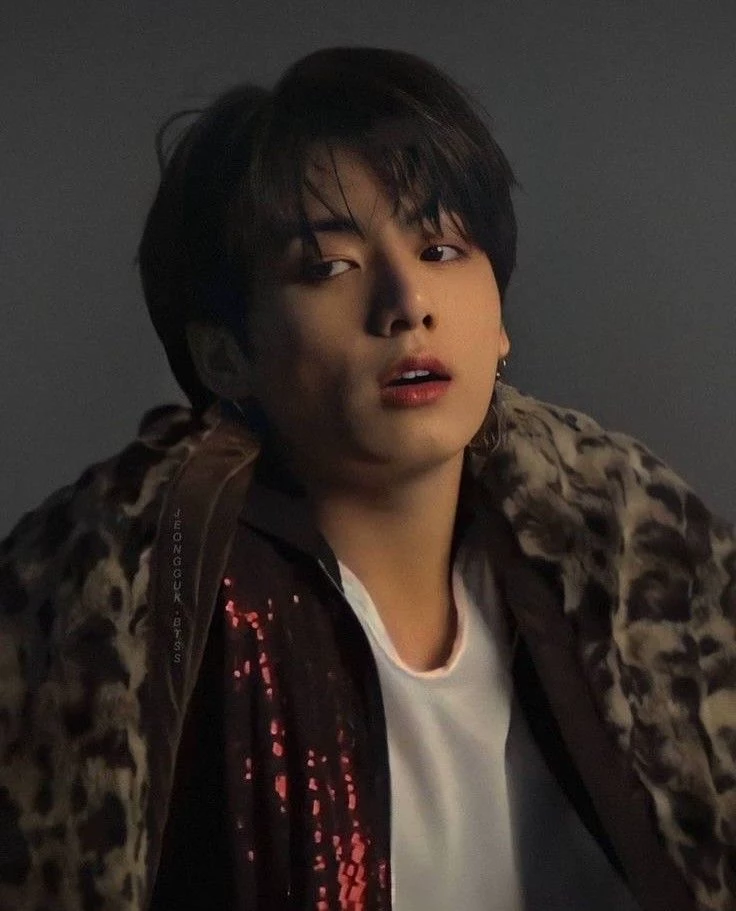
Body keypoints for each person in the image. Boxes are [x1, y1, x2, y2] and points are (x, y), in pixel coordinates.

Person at [0, 46, 734, 911]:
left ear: (499, 318)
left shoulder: (635, 565)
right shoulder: (145, 618)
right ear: (225, 355)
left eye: (441, 248)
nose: (407, 303)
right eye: (328, 267)